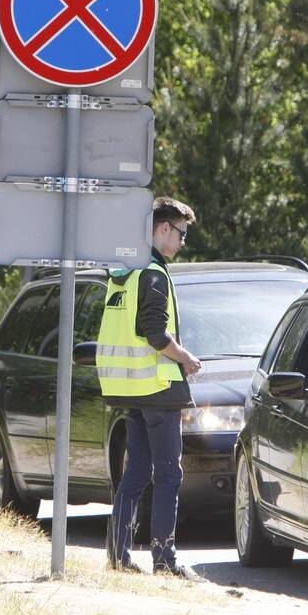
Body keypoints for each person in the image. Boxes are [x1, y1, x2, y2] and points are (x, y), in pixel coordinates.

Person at [96, 196, 203, 579]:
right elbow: (154, 334)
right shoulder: (153, 274)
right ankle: (164, 559)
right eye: (181, 234)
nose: (182, 242)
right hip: (157, 387)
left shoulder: (122, 275)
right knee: (169, 474)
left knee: (137, 472)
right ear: (163, 229)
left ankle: (118, 554)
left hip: (129, 389)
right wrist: (186, 359)